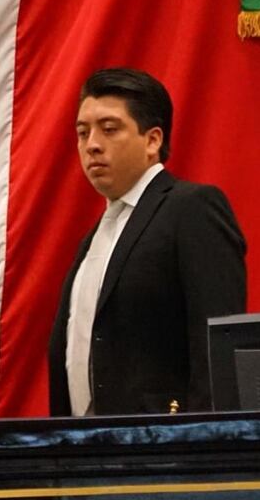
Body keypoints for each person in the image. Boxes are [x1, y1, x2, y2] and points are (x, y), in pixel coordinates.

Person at [48, 68, 247, 416]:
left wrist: (203, 447)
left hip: (166, 453)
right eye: (82, 132)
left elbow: (217, 349)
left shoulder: (191, 209)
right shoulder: (94, 238)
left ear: (153, 140)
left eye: (109, 129)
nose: (92, 144)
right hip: (84, 452)